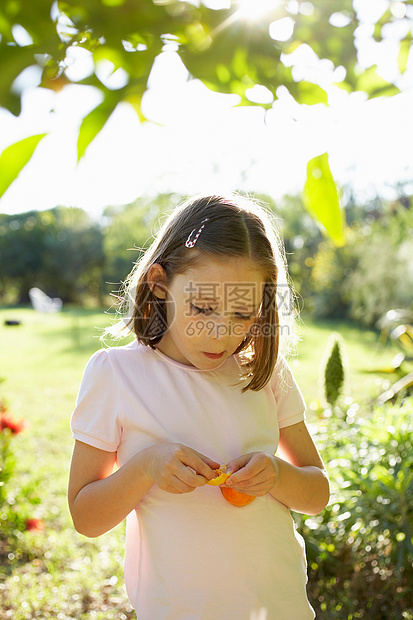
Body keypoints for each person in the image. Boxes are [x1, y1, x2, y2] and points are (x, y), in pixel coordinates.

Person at [68, 193, 330, 619]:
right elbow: (86, 517)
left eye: (243, 315)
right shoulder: (117, 374)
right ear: (159, 282)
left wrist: (277, 475)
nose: (220, 334)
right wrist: (147, 466)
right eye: (203, 307)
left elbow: (316, 493)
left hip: (278, 606)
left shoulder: (264, 375)